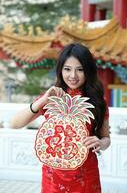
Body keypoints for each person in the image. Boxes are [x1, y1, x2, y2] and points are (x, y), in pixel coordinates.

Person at [11, 43, 110, 193]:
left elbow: (106, 139)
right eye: (67, 69)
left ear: (88, 71)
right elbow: (15, 123)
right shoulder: (52, 97)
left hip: (86, 176)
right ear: (60, 70)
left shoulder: (97, 101)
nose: (73, 76)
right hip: (53, 178)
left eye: (80, 70)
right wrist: (43, 100)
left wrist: (100, 142)